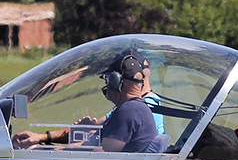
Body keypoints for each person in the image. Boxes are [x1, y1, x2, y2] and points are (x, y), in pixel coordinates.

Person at [13, 51, 159, 153]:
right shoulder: (133, 108)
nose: (107, 85)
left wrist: (50, 152)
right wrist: (48, 148)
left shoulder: (129, 111)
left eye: (108, 79)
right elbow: (94, 146)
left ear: (116, 82)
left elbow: (101, 155)